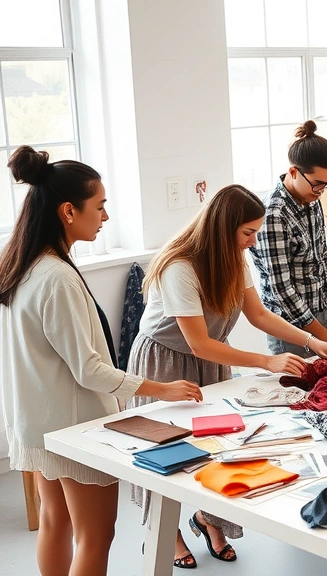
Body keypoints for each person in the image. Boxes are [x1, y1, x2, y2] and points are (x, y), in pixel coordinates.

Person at [0, 146, 201, 576]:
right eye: (101, 206)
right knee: (96, 535)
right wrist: (160, 388)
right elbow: (88, 368)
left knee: (55, 523)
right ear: (68, 211)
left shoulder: (20, 265)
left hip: (36, 421)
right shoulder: (57, 278)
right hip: (73, 425)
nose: (106, 216)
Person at [127, 185, 327, 569]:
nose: (254, 241)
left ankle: (210, 520)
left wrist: (313, 340)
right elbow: (198, 344)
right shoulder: (180, 267)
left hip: (210, 361)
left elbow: (259, 315)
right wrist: (267, 361)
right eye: (248, 233)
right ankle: (164, 533)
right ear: (221, 229)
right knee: (163, 451)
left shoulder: (234, 258)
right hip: (165, 361)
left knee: (224, 446)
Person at [250, 120, 327, 355]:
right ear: (294, 172)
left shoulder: (311, 197)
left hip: (320, 311)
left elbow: (323, 257)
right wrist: (321, 334)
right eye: (317, 184)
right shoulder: (273, 215)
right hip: (290, 328)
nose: (322, 190)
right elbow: (282, 288)